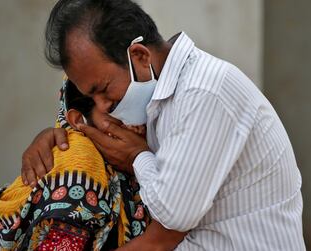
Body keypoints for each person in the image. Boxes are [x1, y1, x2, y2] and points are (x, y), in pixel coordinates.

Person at [22, 0, 306, 250]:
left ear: (140, 57)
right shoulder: (155, 104)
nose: (104, 105)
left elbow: (171, 216)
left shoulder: (203, 92)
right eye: (90, 98)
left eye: (104, 89)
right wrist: (58, 139)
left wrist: (137, 156)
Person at [0, 80, 185, 251]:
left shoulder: (137, 155)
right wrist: (155, 242)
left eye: (140, 104)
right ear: (78, 120)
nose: (136, 122)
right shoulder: (79, 167)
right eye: (116, 108)